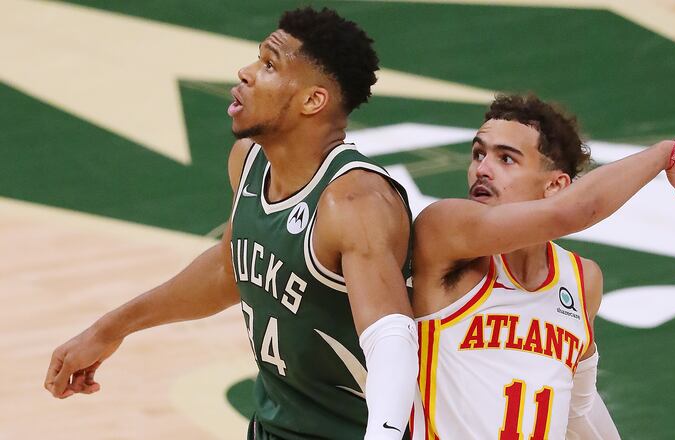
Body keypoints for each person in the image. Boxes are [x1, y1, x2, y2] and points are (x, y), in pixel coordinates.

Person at [44, 7, 418, 440]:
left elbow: (392, 339)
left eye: (270, 65)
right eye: (258, 58)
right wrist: (110, 329)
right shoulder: (250, 160)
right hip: (273, 428)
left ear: (312, 101)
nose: (246, 72)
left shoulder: (354, 203)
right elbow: (229, 270)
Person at [408, 94, 675, 439]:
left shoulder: (581, 280)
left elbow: (579, 411)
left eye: (506, 158)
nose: (482, 169)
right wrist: (668, 154)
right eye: (478, 154)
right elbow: (571, 212)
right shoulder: (444, 233)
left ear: (555, 185)